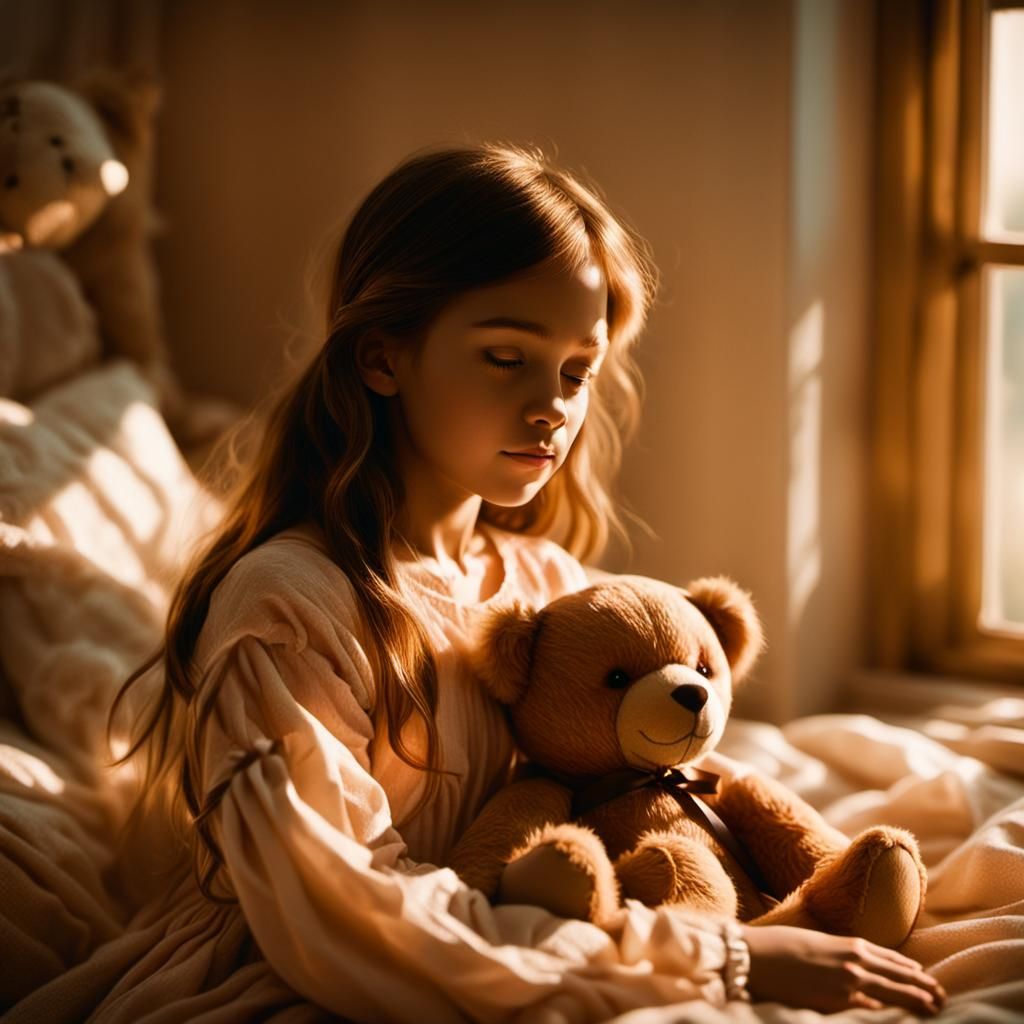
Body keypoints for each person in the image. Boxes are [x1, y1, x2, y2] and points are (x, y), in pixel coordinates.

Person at [16, 144, 946, 1023]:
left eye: (577, 371)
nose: (553, 406)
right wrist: (721, 962)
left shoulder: (545, 584)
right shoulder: (290, 606)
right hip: (334, 975)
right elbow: (342, 910)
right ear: (383, 355)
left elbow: (640, 784)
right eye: (508, 357)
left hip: (531, 940)